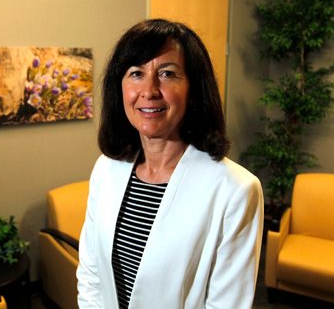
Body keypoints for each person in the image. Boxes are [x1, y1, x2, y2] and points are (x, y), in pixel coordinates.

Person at [77, 18, 264, 309]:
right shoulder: (106, 169)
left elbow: (228, 304)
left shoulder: (235, 189)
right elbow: (91, 274)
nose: (149, 90)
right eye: (136, 73)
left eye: (167, 73)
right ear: (120, 88)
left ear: (194, 89)